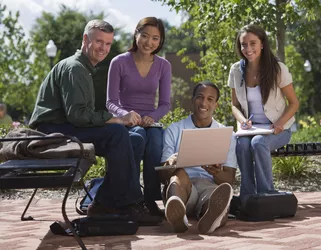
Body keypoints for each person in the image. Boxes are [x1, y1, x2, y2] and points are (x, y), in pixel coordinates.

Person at [28, 20, 161, 226]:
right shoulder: (75, 69)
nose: (104, 48)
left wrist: (117, 121)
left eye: (108, 44)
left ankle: (104, 202)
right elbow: (78, 116)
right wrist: (115, 119)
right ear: (85, 40)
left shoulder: (86, 69)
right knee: (117, 133)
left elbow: (83, 116)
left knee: (133, 138)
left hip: (67, 128)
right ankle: (131, 203)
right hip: (52, 132)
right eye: (99, 42)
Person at [106, 17, 172, 215]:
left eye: (155, 38)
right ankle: (131, 197)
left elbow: (165, 104)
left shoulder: (164, 65)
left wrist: (152, 116)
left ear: (160, 42)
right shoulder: (118, 62)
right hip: (125, 122)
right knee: (137, 138)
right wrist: (125, 115)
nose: (148, 42)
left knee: (156, 140)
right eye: (144, 36)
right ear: (136, 35)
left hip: (150, 122)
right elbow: (110, 101)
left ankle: (151, 200)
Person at [228, 24, 299, 204]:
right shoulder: (236, 70)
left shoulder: (277, 69)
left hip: (277, 130)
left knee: (258, 142)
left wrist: (280, 123)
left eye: (253, 43)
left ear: (262, 44)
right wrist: (243, 120)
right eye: (244, 44)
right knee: (242, 144)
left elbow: (294, 103)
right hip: (250, 129)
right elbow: (234, 105)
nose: (248, 49)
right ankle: (248, 196)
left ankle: (267, 195)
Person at [160, 81, 237, 234]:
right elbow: (162, 176)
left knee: (218, 197)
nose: (203, 103)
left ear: (216, 105)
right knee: (178, 175)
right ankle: (178, 214)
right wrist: (171, 163)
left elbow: (229, 179)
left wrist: (216, 172)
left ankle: (212, 219)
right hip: (184, 186)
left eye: (210, 99)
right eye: (200, 97)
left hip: (209, 184)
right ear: (193, 99)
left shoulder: (227, 134)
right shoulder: (174, 129)